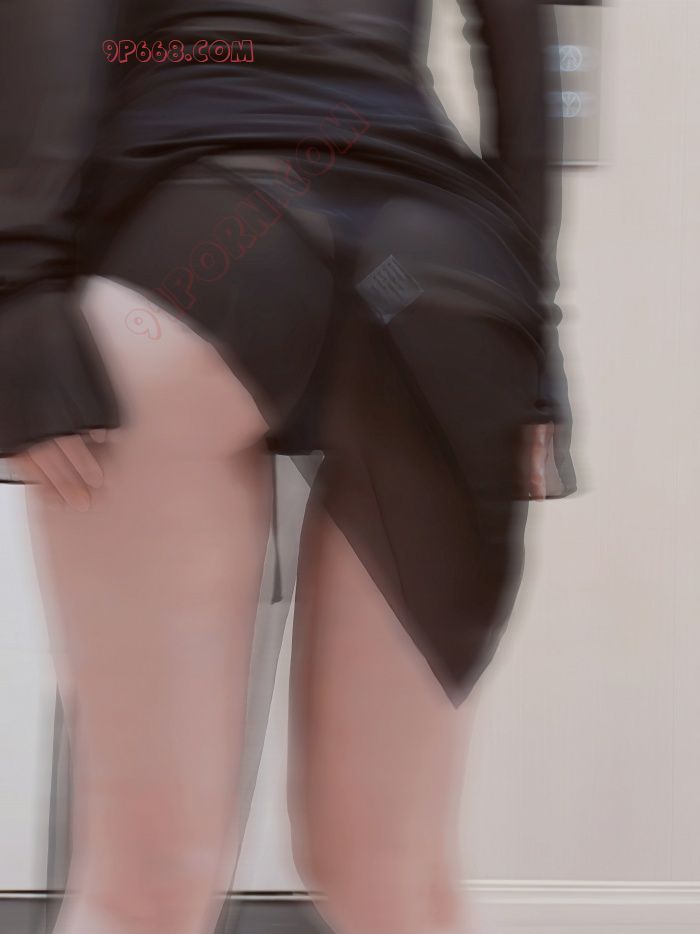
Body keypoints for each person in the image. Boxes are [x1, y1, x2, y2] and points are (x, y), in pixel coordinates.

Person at [0, 1, 578, 933]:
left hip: (198, 240)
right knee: (394, 879)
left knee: (144, 886)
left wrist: (19, 283)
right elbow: (525, 48)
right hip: (436, 270)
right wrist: (535, 337)